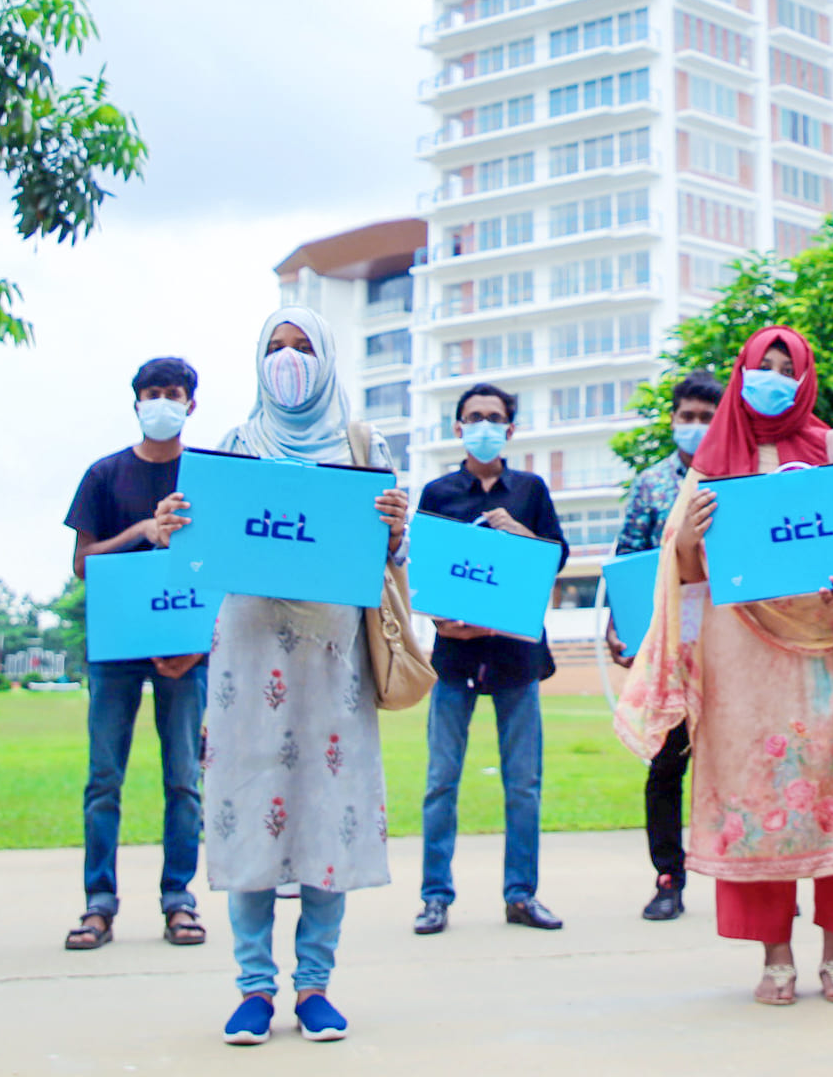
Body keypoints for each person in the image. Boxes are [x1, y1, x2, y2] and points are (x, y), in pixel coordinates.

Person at [616, 326, 833, 1007]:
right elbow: (684, 573)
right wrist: (688, 539)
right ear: (742, 373)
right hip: (744, 666)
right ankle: (776, 957)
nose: (776, 379)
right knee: (757, 803)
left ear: (807, 377)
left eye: (789, 368)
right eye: (765, 366)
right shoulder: (713, 461)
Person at [208, 308, 412, 1045]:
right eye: (275, 347)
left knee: (328, 807)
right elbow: (208, 547)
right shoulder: (236, 445)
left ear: (326, 358)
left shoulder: (363, 445)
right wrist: (177, 526)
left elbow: (392, 558)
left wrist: (396, 531)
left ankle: (316, 985)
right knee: (249, 805)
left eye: (302, 347)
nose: (288, 360)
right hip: (249, 651)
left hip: (332, 655)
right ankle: (253, 988)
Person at [62, 357, 209, 953]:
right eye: (152, 393)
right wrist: (141, 532)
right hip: (116, 645)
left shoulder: (207, 477)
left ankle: (179, 899)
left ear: (191, 404)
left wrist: (201, 645)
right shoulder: (104, 475)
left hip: (184, 649)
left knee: (184, 780)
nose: (162, 402)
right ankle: (98, 904)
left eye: (173, 393)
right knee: (104, 779)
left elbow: (224, 566)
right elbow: (83, 563)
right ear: (136, 403)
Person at [414, 381, 568, 934]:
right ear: (458, 428)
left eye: (494, 417)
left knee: (523, 783)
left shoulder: (530, 490)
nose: (484, 426)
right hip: (455, 657)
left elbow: (555, 558)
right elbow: (424, 568)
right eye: (474, 417)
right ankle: (435, 897)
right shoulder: (437, 493)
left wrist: (520, 532)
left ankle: (521, 895)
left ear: (510, 428)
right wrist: (441, 619)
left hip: (515, 656)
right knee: (441, 780)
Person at [610, 369, 724, 920]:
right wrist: (620, 626)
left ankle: (754, 876)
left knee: (737, 763)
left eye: (707, 417)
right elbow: (629, 557)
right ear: (673, 419)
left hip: (729, 644)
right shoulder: (652, 484)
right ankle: (668, 879)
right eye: (687, 416)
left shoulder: (737, 477)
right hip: (670, 646)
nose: (695, 425)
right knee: (665, 764)